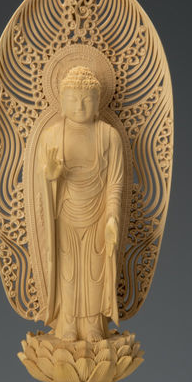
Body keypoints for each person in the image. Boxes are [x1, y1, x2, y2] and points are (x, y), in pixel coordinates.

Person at [37, 66, 124, 342]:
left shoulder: (109, 136)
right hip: (64, 212)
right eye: (73, 99)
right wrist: (51, 177)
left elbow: (115, 183)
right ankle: (68, 322)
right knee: (69, 270)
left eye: (87, 99)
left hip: (99, 213)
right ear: (62, 102)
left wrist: (112, 217)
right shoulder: (51, 136)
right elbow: (40, 185)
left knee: (95, 270)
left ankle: (92, 323)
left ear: (98, 103)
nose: (80, 106)